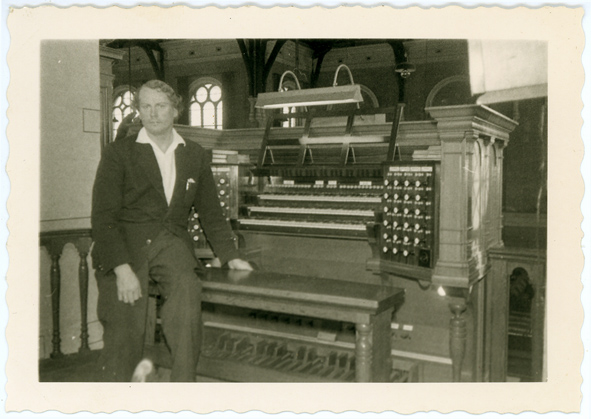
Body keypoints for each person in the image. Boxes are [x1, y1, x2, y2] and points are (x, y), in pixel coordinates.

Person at [91, 79, 252, 382]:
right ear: (138, 111)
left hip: (171, 243)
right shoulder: (118, 153)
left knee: (187, 300)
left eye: (160, 106)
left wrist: (230, 256)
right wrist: (122, 269)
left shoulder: (194, 154)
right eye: (145, 106)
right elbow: (103, 219)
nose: (152, 113)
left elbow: (212, 214)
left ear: (176, 110)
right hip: (124, 247)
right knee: (125, 330)